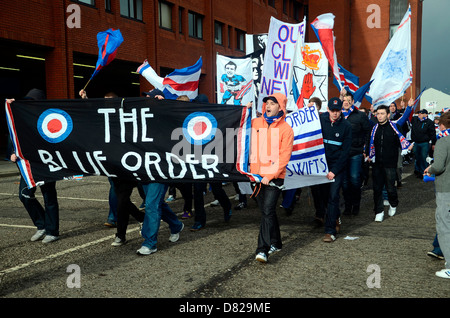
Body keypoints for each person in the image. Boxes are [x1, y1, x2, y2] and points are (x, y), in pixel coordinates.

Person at [8, 88, 60, 243]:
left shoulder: (48, 118)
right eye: (28, 101)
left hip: (46, 164)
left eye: (33, 101)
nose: (30, 104)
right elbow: (14, 132)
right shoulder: (22, 116)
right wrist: (13, 151)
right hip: (28, 166)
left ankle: (53, 231)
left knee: (49, 197)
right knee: (24, 195)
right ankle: (42, 225)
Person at [136, 89, 184, 255]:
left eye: (150, 98)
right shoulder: (141, 116)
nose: (146, 101)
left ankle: (150, 243)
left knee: (151, 204)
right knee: (156, 203)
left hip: (160, 168)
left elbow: (179, 122)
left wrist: (165, 104)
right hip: (144, 168)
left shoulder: (166, 115)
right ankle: (176, 225)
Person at [248, 93, 294, 263]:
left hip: (274, 177)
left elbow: (284, 157)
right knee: (267, 212)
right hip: (257, 176)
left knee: (267, 211)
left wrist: (270, 175)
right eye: (267, 103)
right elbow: (240, 132)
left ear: (280, 107)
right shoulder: (255, 123)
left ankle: (263, 250)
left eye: (272, 103)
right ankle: (277, 242)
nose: (268, 106)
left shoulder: (286, 129)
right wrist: (244, 112)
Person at [365, 100, 413, 222]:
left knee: (390, 187)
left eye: (382, 113)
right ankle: (379, 211)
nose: (379, 116)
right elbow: (368, 142)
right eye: (378, 113)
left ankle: (393, 203)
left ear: (388, 115)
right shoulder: (374, 128)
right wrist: (367, 152)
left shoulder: (394, 127)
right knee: (377, 188)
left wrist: (407, 147)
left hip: (390, 163)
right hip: (376, 163)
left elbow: (401, 141)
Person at [190, 94, 232, 231]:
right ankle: (199, 220)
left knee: (217, 189)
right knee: (197, 191)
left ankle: (227, 206)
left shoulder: (215, 118)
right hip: (197, 160)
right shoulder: (192, 118)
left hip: (212, 160)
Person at [79, 89, 119, 227]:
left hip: (126, 158)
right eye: (104, 102)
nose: (106, 104)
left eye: (108, 102)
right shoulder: (103, 115)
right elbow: (91, 113)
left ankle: (121, 214)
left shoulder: (124, 115)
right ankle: (113, 217)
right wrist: (85, 99)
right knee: (115, 187)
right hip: (111, 158)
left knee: (134, 188)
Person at [315, 97, 352, 242]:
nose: (335, 114)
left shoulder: (346, 126)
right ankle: (335, 215)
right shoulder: (320, 120)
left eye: (338, 111)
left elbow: (345, 152)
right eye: (332, 110)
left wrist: (334, 171)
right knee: (323, 196)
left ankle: (330, 231)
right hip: (322, 166)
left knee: (333, 196)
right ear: (328, 109)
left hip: (337, 166)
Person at [423, 111, 450, 279]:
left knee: (445, 227)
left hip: (446, 189)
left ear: (442, 125)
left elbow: (439, 165)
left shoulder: (443, 141)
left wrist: (429, 168)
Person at [340, 91, 372, 216]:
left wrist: (366, 150)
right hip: (342, 154)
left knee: (354, 179)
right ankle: (347, 206)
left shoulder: (360, 115)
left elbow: (368, 132)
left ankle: (356, 205)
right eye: (344, 100)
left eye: (348, 100)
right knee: (344, 182)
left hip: (356, 152)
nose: (346, 102)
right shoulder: (338, 115)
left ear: (353, 102)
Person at [410, 109, 436, 177]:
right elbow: (408, 116)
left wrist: (433, 143)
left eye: (422, 113)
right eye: (419, 113)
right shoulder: (415, 120)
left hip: (424, 143)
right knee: (417, 157)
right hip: (416, 142)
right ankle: (417, 170)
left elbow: (433, 133)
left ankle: (423, 172)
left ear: (426, 114)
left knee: (424, 158)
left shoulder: (429, 122)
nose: (420, 114)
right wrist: (409, 108)